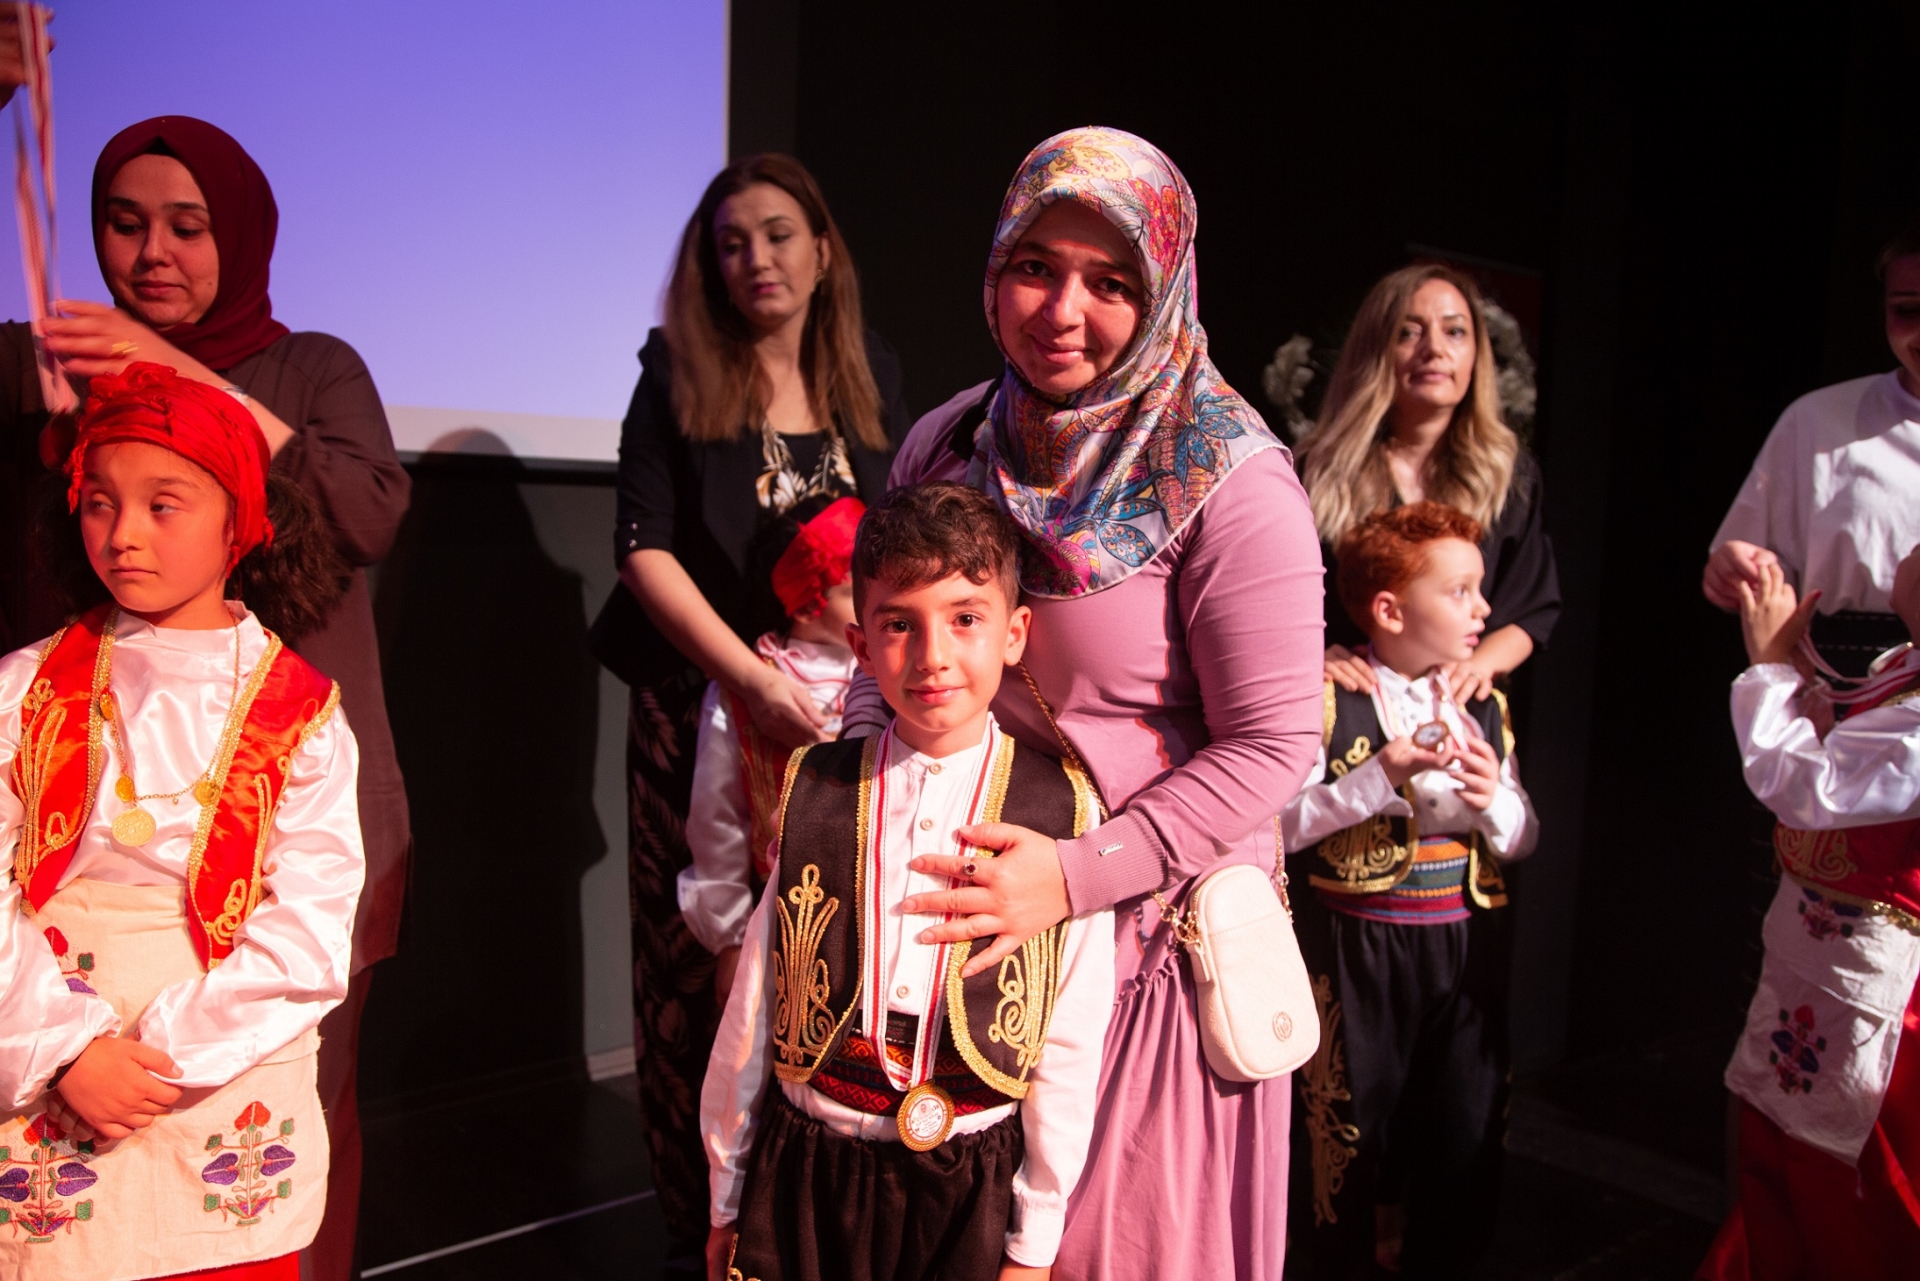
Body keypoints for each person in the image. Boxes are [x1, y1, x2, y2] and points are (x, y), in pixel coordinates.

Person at [847, 127, 1324, 1279]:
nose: (1063, 311)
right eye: (1035, 267)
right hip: (963, 927)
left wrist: (1070, 877)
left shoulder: (1234, 483)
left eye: (1112, 283)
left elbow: (1275, 745)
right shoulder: (952, 442)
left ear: (1163, 295)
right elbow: (878, 649)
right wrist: (851, 809)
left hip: (1143, 954)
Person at [0, 114, 414, 1280]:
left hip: (270, 882)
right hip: (65, 961)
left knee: (293, 1129)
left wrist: (166, 369)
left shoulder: (309, 367)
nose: (154, 252)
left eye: (187, 226)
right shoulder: (52, 364)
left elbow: (369, 510)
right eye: (124, 224)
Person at [604, 153, 910, 1265]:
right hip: (704, 708)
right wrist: (749, 679)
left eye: (778, 234)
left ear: (822, 250)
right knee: (704, 973)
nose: (756, 259)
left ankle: (814, 1226)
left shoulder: (871, 372)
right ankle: (708, 1229)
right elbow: (643, 551)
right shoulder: (675, 369)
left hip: (842, 714)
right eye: (730, 242)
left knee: (833, 959)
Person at [0, 363, 363, 1280]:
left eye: (163, 505)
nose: (123, 534)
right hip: (43, 1039)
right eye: (100, 503)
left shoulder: (301, 713)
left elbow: (310, 926)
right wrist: (68, 1049)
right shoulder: (22, 691)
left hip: (217, 1064)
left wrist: (160, 1057)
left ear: (242, 521)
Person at [701, 482, 1113, 1281]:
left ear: (1015, 633)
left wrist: (1033, 1242)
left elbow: (1071, 1036)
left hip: (967, 1188)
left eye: (965, 618)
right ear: (861, 646)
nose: (932, 656)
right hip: (808, 1174)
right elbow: (754, 1007)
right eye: (900, 624)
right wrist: (725, 1193)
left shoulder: (1062, 808)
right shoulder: (814, 786)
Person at [1279, 500, 1538, 1278]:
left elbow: (1524, 834)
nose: (1484, 609)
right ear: (1390, 610)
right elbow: (1283, 825)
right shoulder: (1331, 695)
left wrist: (1493, 800)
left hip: (1462, 938)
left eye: (1479, 588)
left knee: (1464, 1122)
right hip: (1358, 943)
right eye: (1460, 592)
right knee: (1344, 1125)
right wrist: (1379, 775)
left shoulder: (1482, 701)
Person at [1695, 548, 1920, 1281]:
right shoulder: (1903, 668)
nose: (1907, 549)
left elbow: (1810, 788)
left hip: (1872, 988)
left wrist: (1768, 667)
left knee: (1848, 1196)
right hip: (1819, 962)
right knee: (1784, 1153)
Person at [1297, 265, 1560, 701]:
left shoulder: (1508, 476)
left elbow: (1531, 605)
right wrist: (1310, 656)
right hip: (1341, 705)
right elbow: (1268, 601)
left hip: (1452, 713)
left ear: (1477, 355)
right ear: (1376, 350)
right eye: (1408, 333)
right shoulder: (1316, 471)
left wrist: (1477, 667)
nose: (1435, 349)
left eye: (1455, 332)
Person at [1703, 214, 1920, 679]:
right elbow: (1754, 569)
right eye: (1908, 309)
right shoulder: (1819, 419)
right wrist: (1739, 570)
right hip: (1840, 687)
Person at [676, 493, 863, 1007]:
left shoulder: (901, 669)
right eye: (857, 590)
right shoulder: (745, 693)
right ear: (806, 603)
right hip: (782, 923)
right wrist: (731, 937)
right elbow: (717, 819)